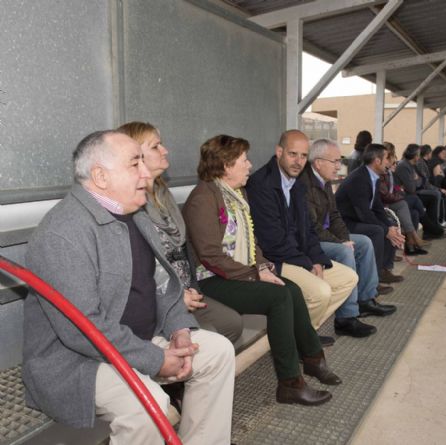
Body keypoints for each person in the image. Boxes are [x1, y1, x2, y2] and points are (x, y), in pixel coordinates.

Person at [23, 130, 235, 445]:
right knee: (148, 408)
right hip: (79, 361)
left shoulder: (134, 215)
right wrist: (155, 359)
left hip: (136, 341)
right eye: (135, 164)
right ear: (100, 176)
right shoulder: (63, 233)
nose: (147, 173)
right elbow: (82, 330)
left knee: (218, 352)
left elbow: (160, 285)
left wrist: (179, 328)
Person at [182, 134, 339, 406]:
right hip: (212, 279)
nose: (250, 165)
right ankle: (290, 382)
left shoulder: (237, 195)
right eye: (244, 160)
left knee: (290, 289)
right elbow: (210, 256)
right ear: (226, 164)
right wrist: (255, 274)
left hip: (237, 273)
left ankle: (313, 358)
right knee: (278, 298)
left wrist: (264, 267)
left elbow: (252, 241)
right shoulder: (203, 198)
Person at [118, 121, 243, 344]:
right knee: (211, 340)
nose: (165, 150)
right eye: (156, 146)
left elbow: (182, 251)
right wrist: (175, 297)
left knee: (232, 324)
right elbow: (139, 270)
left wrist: (191, 287)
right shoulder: (129, 205)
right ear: (136, 156)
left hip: (187, 286)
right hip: (160, 297)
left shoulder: (162, 194)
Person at [245, 130, 358, 345]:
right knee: (321, 292)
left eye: (303, 156)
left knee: (348, 279)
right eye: (293, 154)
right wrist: (307, 263)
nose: (298, 161)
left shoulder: (296, 183)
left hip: (295, 255)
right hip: (272, 260)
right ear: (279, 152)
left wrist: (317, 258)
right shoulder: (262, 184)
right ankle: (303, 339)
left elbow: (307, 230)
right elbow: (272, 241)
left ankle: (303, 332)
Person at [299, 138, 396, 337]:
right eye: (334, 161)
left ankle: (366, 299)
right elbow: (311, 227)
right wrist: (341, 242)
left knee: (364, 242)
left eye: (339, 161)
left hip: (328, 235)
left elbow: (334, 215)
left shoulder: (324, 182)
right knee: (345, 250)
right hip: (310, 240)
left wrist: (344, 237)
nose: (339, 166)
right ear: (318, 163)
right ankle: (346, 317)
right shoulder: (304, 185)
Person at [335, 143, 406, 284]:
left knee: (390, 225)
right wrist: (386, 230)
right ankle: (374, 278)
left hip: (356, 219)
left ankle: (384, 270)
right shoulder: (358, 179)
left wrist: (389, 227)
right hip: (344, 223)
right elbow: (364, 213)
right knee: (377, 231)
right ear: (377, 161)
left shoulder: (373, 176)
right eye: (387, 158)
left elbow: (377, 207)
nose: (389, 162)